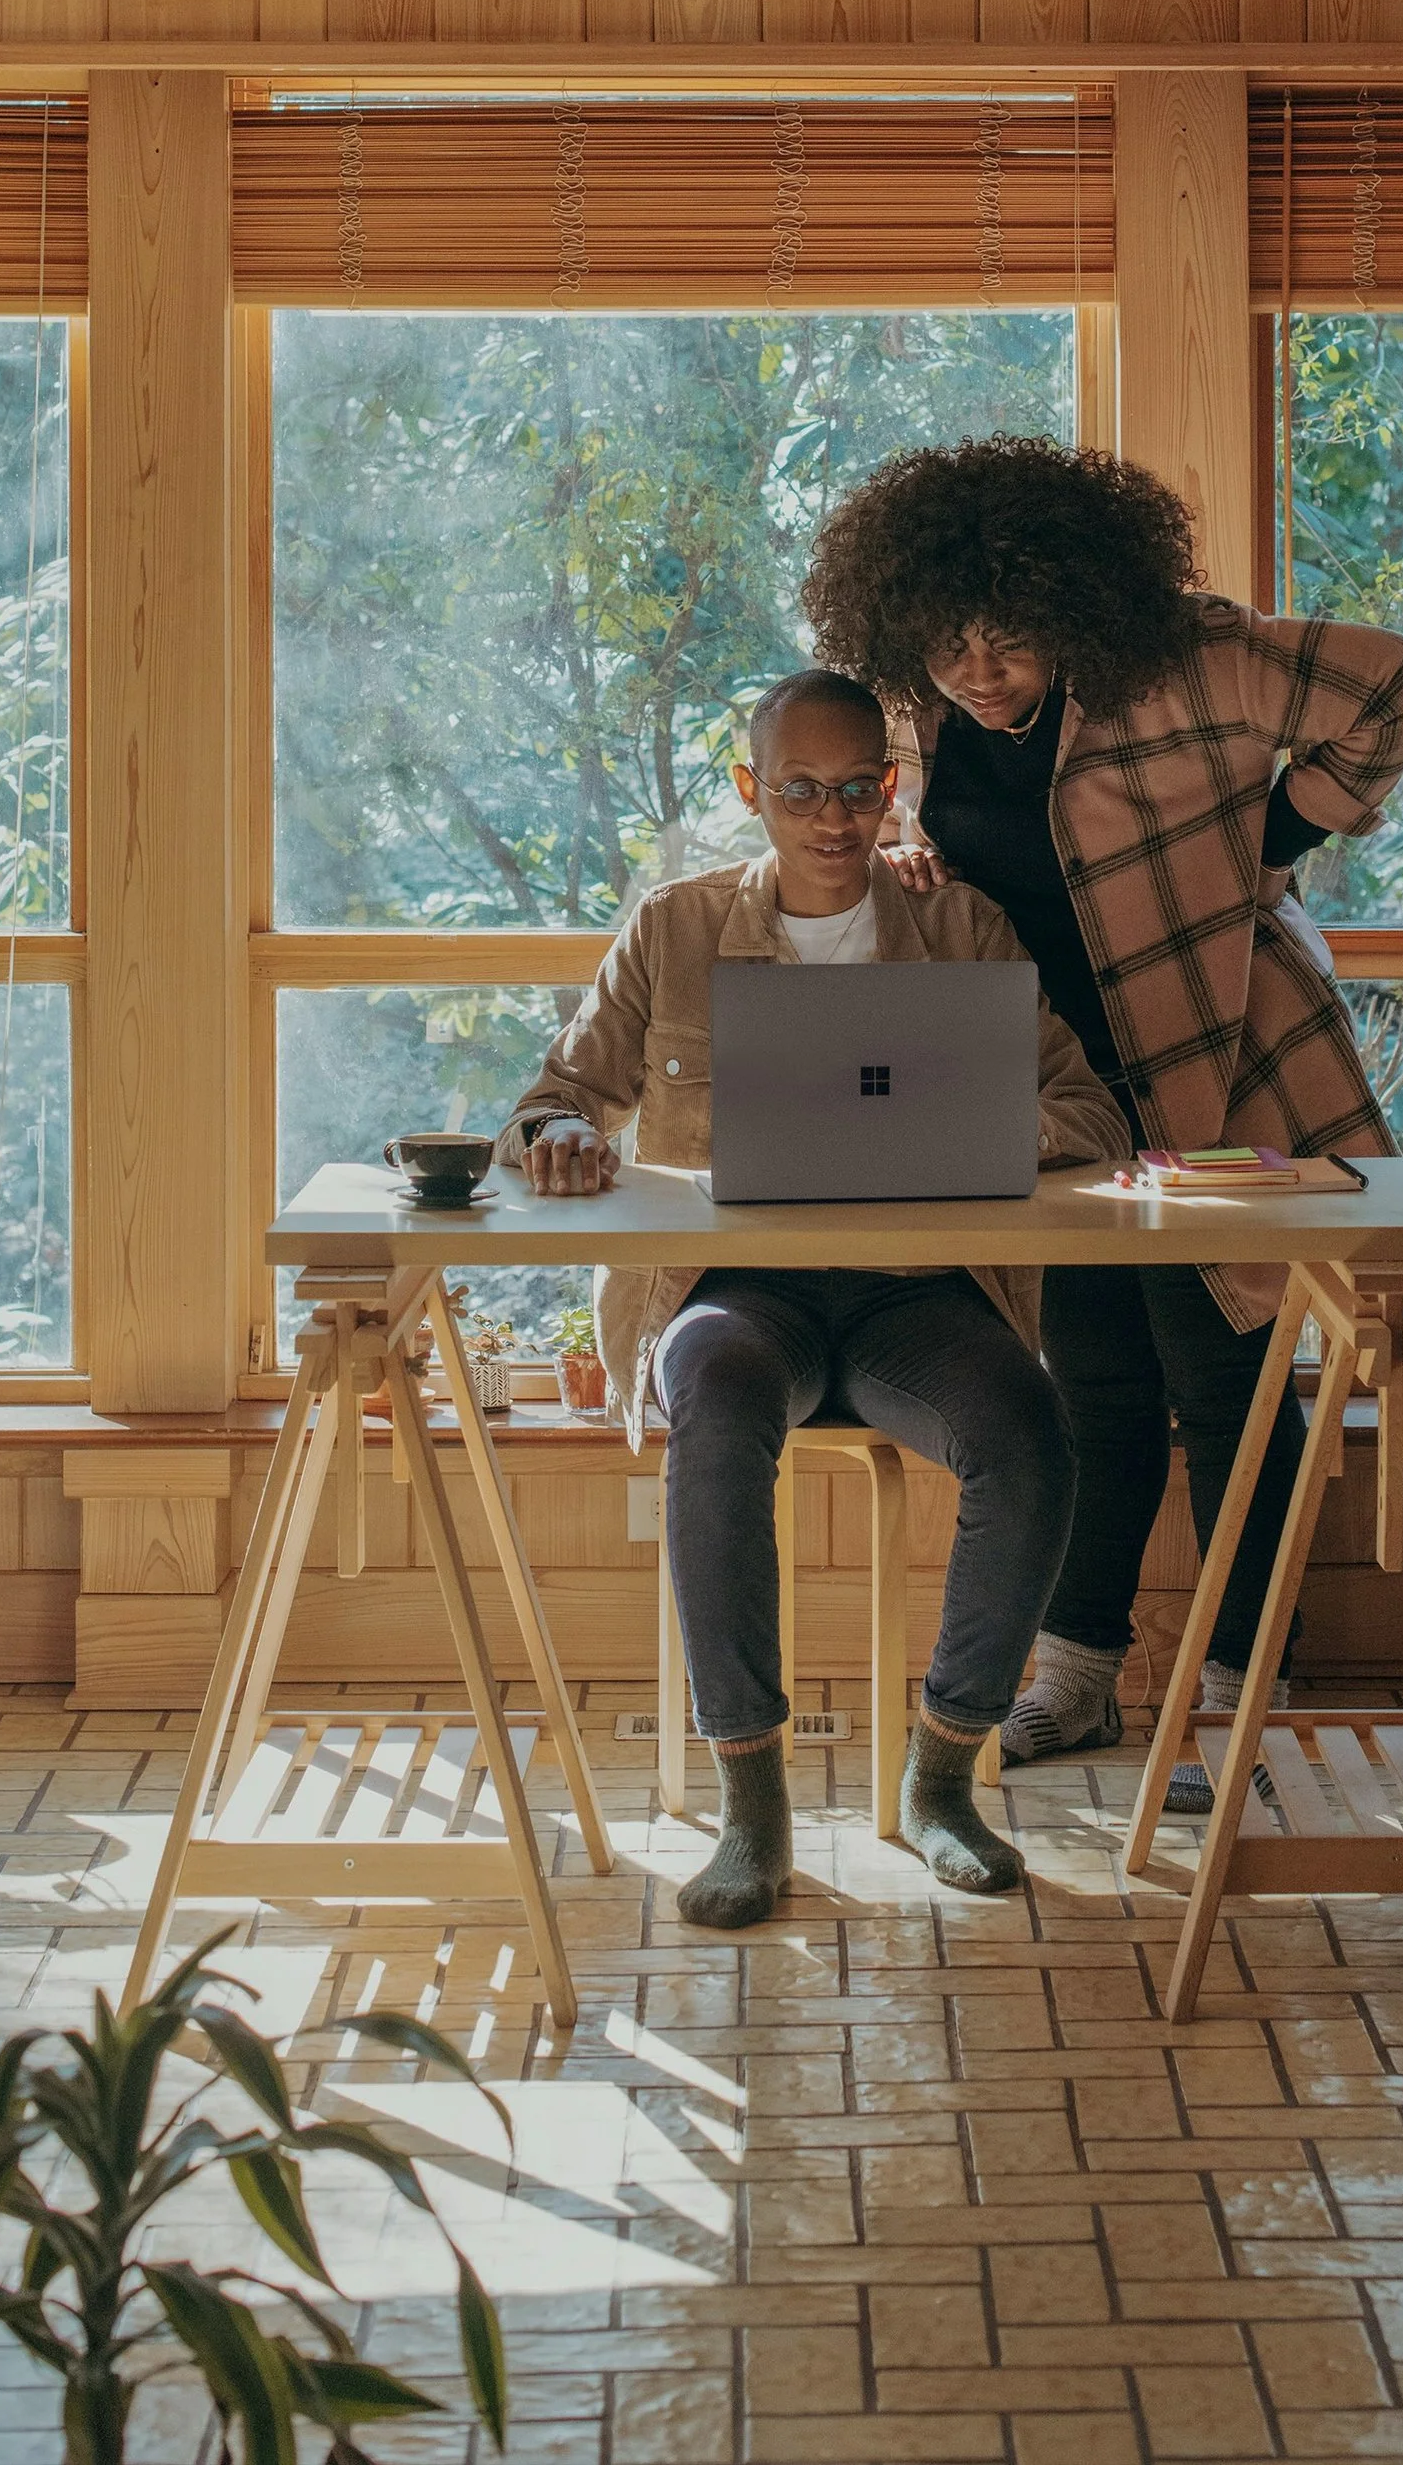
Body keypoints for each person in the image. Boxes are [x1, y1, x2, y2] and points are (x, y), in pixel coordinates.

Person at [800, 439, 1403, 1790]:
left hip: (1223, 1055)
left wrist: (1277, 835)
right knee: (1090, 1375)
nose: (978, 669)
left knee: (1230, 1377)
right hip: (1060, 1093)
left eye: (1011, 639)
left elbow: (1396, 680)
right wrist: (908, 840)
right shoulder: (920, 712)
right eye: (946, 642)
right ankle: (1079, 1677)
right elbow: (929, 826)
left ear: (1075, 603)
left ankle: (1237, 1697)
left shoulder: (1190, 658)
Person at [495, 668, 1129, 1930]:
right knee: (717, 1414)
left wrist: (965, 1126)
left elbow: (1091, 1114)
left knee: (1030, 1436)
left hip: (919, 1300)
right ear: (750, 791)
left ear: (889, 788)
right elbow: (549, 1096)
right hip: (736, 1291)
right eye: (800, 791)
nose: (833, 818)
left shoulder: (960, 927)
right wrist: (558, 1137)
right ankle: (753, 1809)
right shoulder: (673, 928)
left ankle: (945, 1776)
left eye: (857, 789)